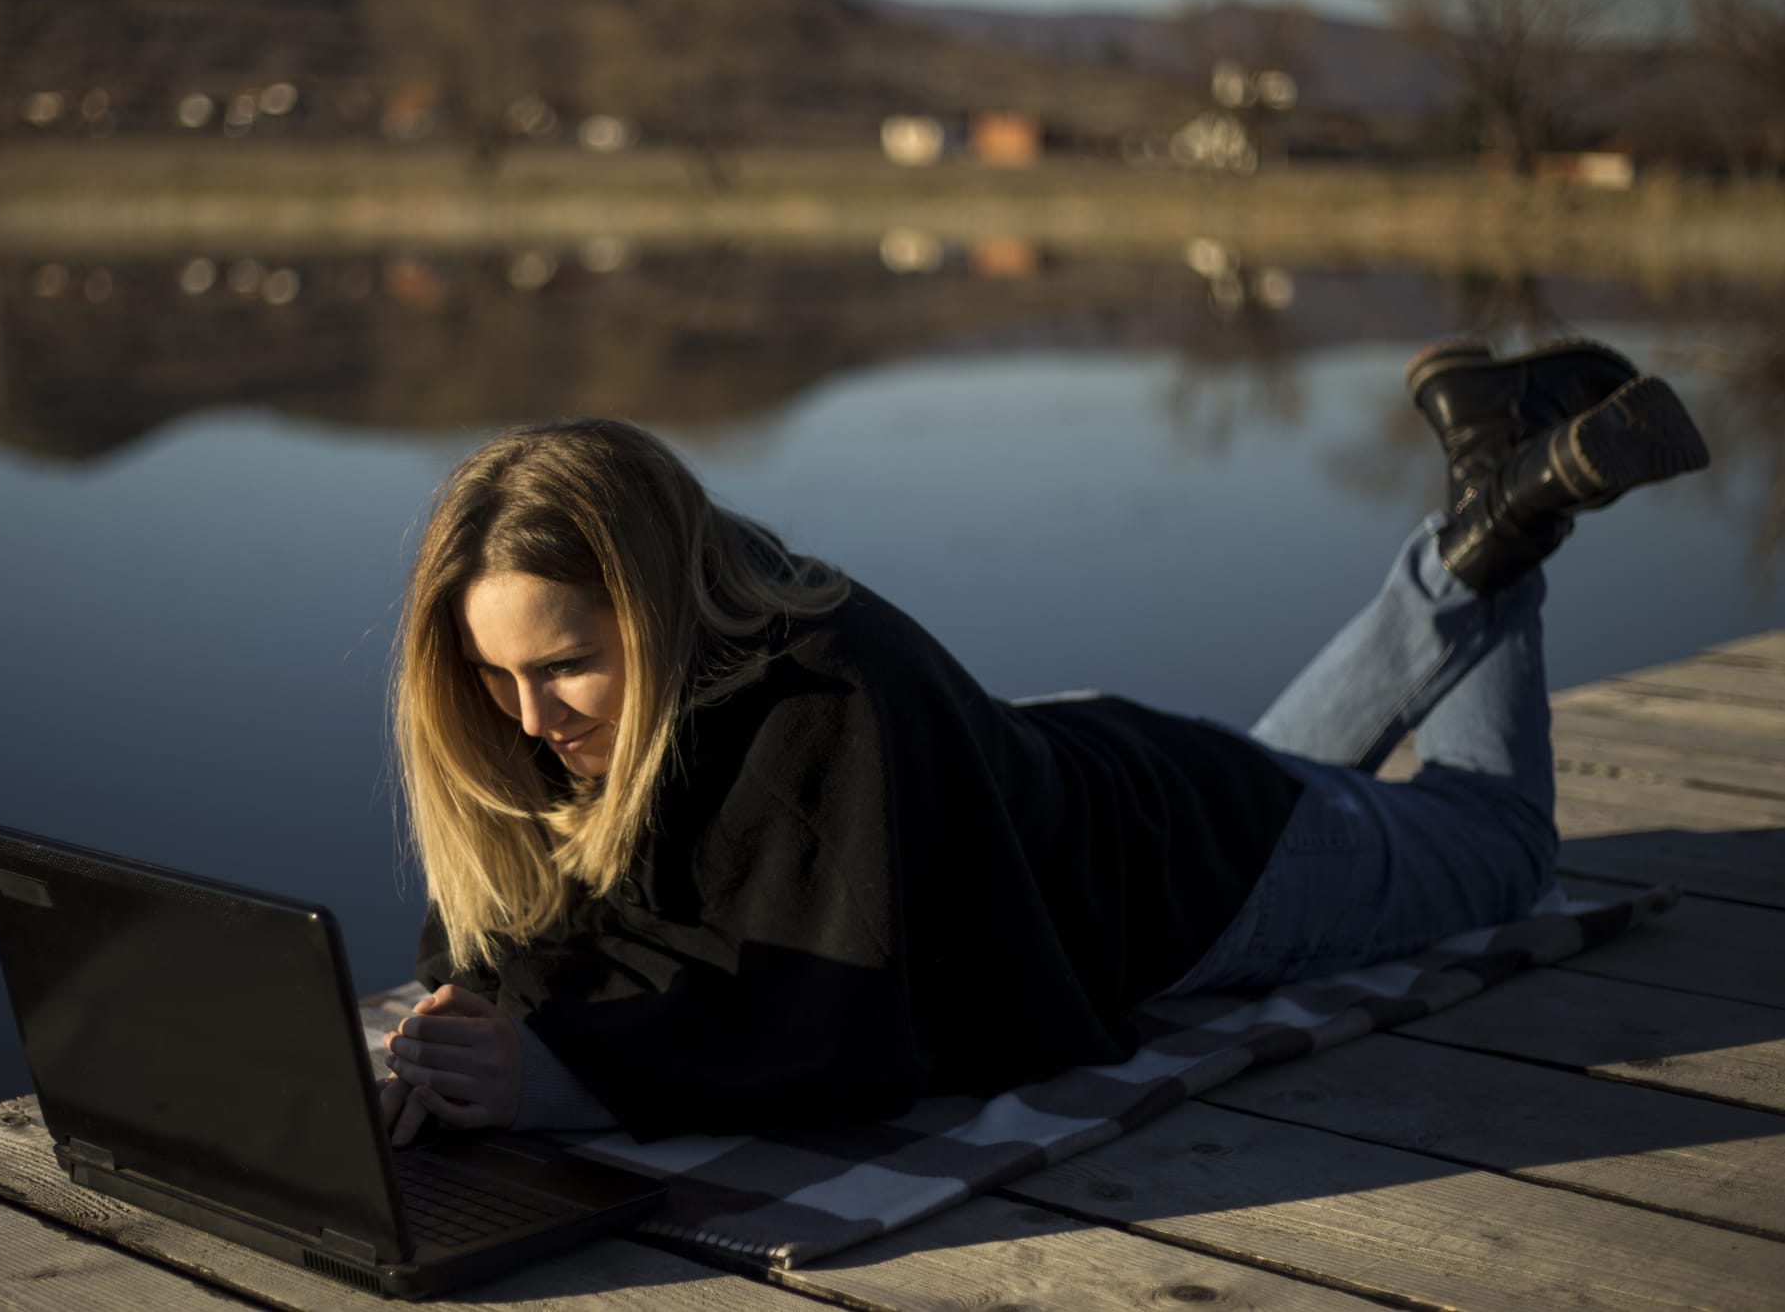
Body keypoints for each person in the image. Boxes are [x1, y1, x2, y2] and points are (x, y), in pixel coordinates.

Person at [376, 339, 1709, 1146]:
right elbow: (536, 935)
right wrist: (454, 1027)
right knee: (1290, 778)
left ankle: (1503, 517)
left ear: (662, 609)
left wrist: (556, 1080)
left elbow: (848, 1028)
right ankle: (1481, 482)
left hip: (1211, 871)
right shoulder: (598, 707)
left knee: (1501, 845)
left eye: (567, 665)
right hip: (1086, 780)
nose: (533, 718)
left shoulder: (824, 698)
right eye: (492, 675)